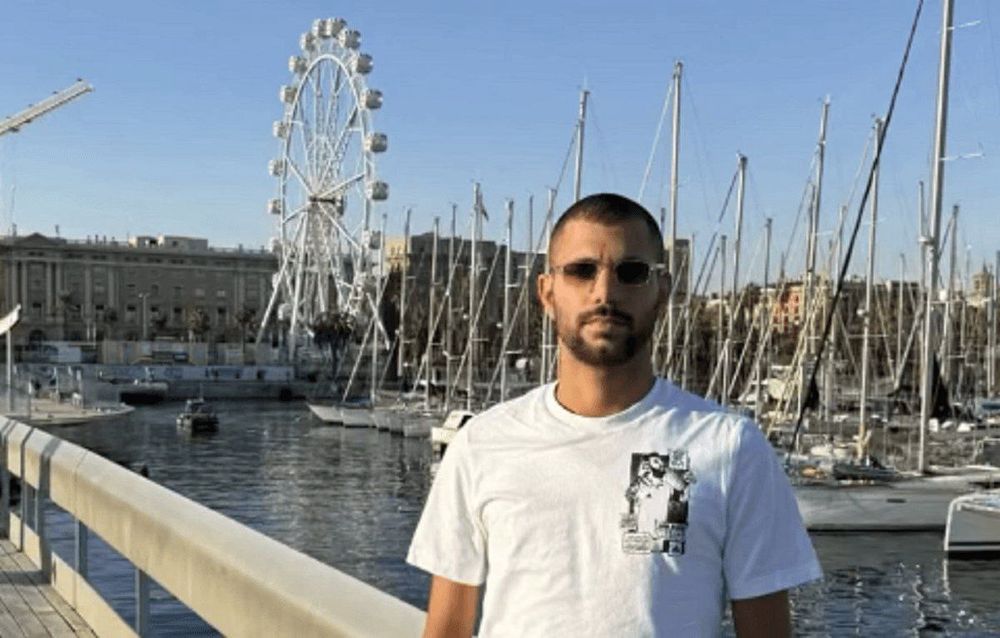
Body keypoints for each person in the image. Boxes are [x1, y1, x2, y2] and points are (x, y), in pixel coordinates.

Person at [407, 193, 821, 637]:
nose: (605, 292)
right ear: (547, 292)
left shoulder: (730, 447)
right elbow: (446, 630)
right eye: (581, 270)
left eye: (631, 272)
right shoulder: (482, 444)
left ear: (661, 291)